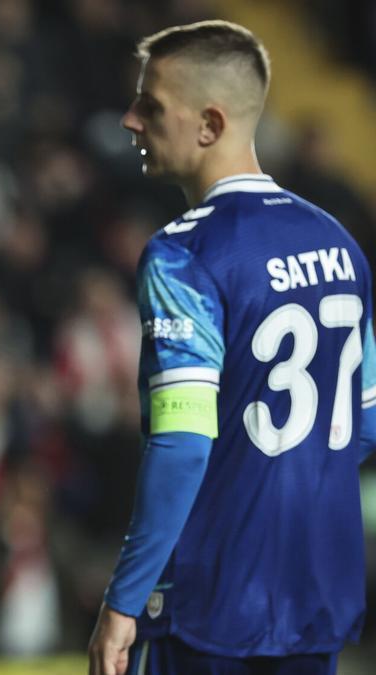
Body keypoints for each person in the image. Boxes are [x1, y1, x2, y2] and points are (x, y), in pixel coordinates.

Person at [87, 20, 376, 675]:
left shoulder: (184, 256)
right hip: (316, 597)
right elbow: (363, 422)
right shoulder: (340, 245)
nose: (131, 119)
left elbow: (183, 444)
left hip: (210, 604)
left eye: (151, 105)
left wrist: (124, 599)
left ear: (209, 124)